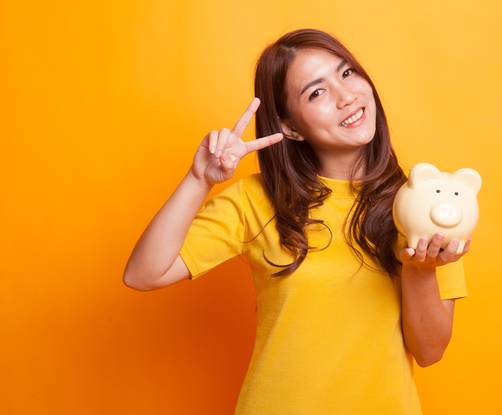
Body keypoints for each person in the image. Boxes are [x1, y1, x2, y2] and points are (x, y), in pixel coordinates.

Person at [123, 28, 472, 415]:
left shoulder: (424, 202)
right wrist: (198, 179)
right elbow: (143, 273)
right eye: (316, 92)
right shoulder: (255, 202)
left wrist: (420, 271)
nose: (346, 97)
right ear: (289, 126)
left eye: (346, 73)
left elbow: (429, 351)